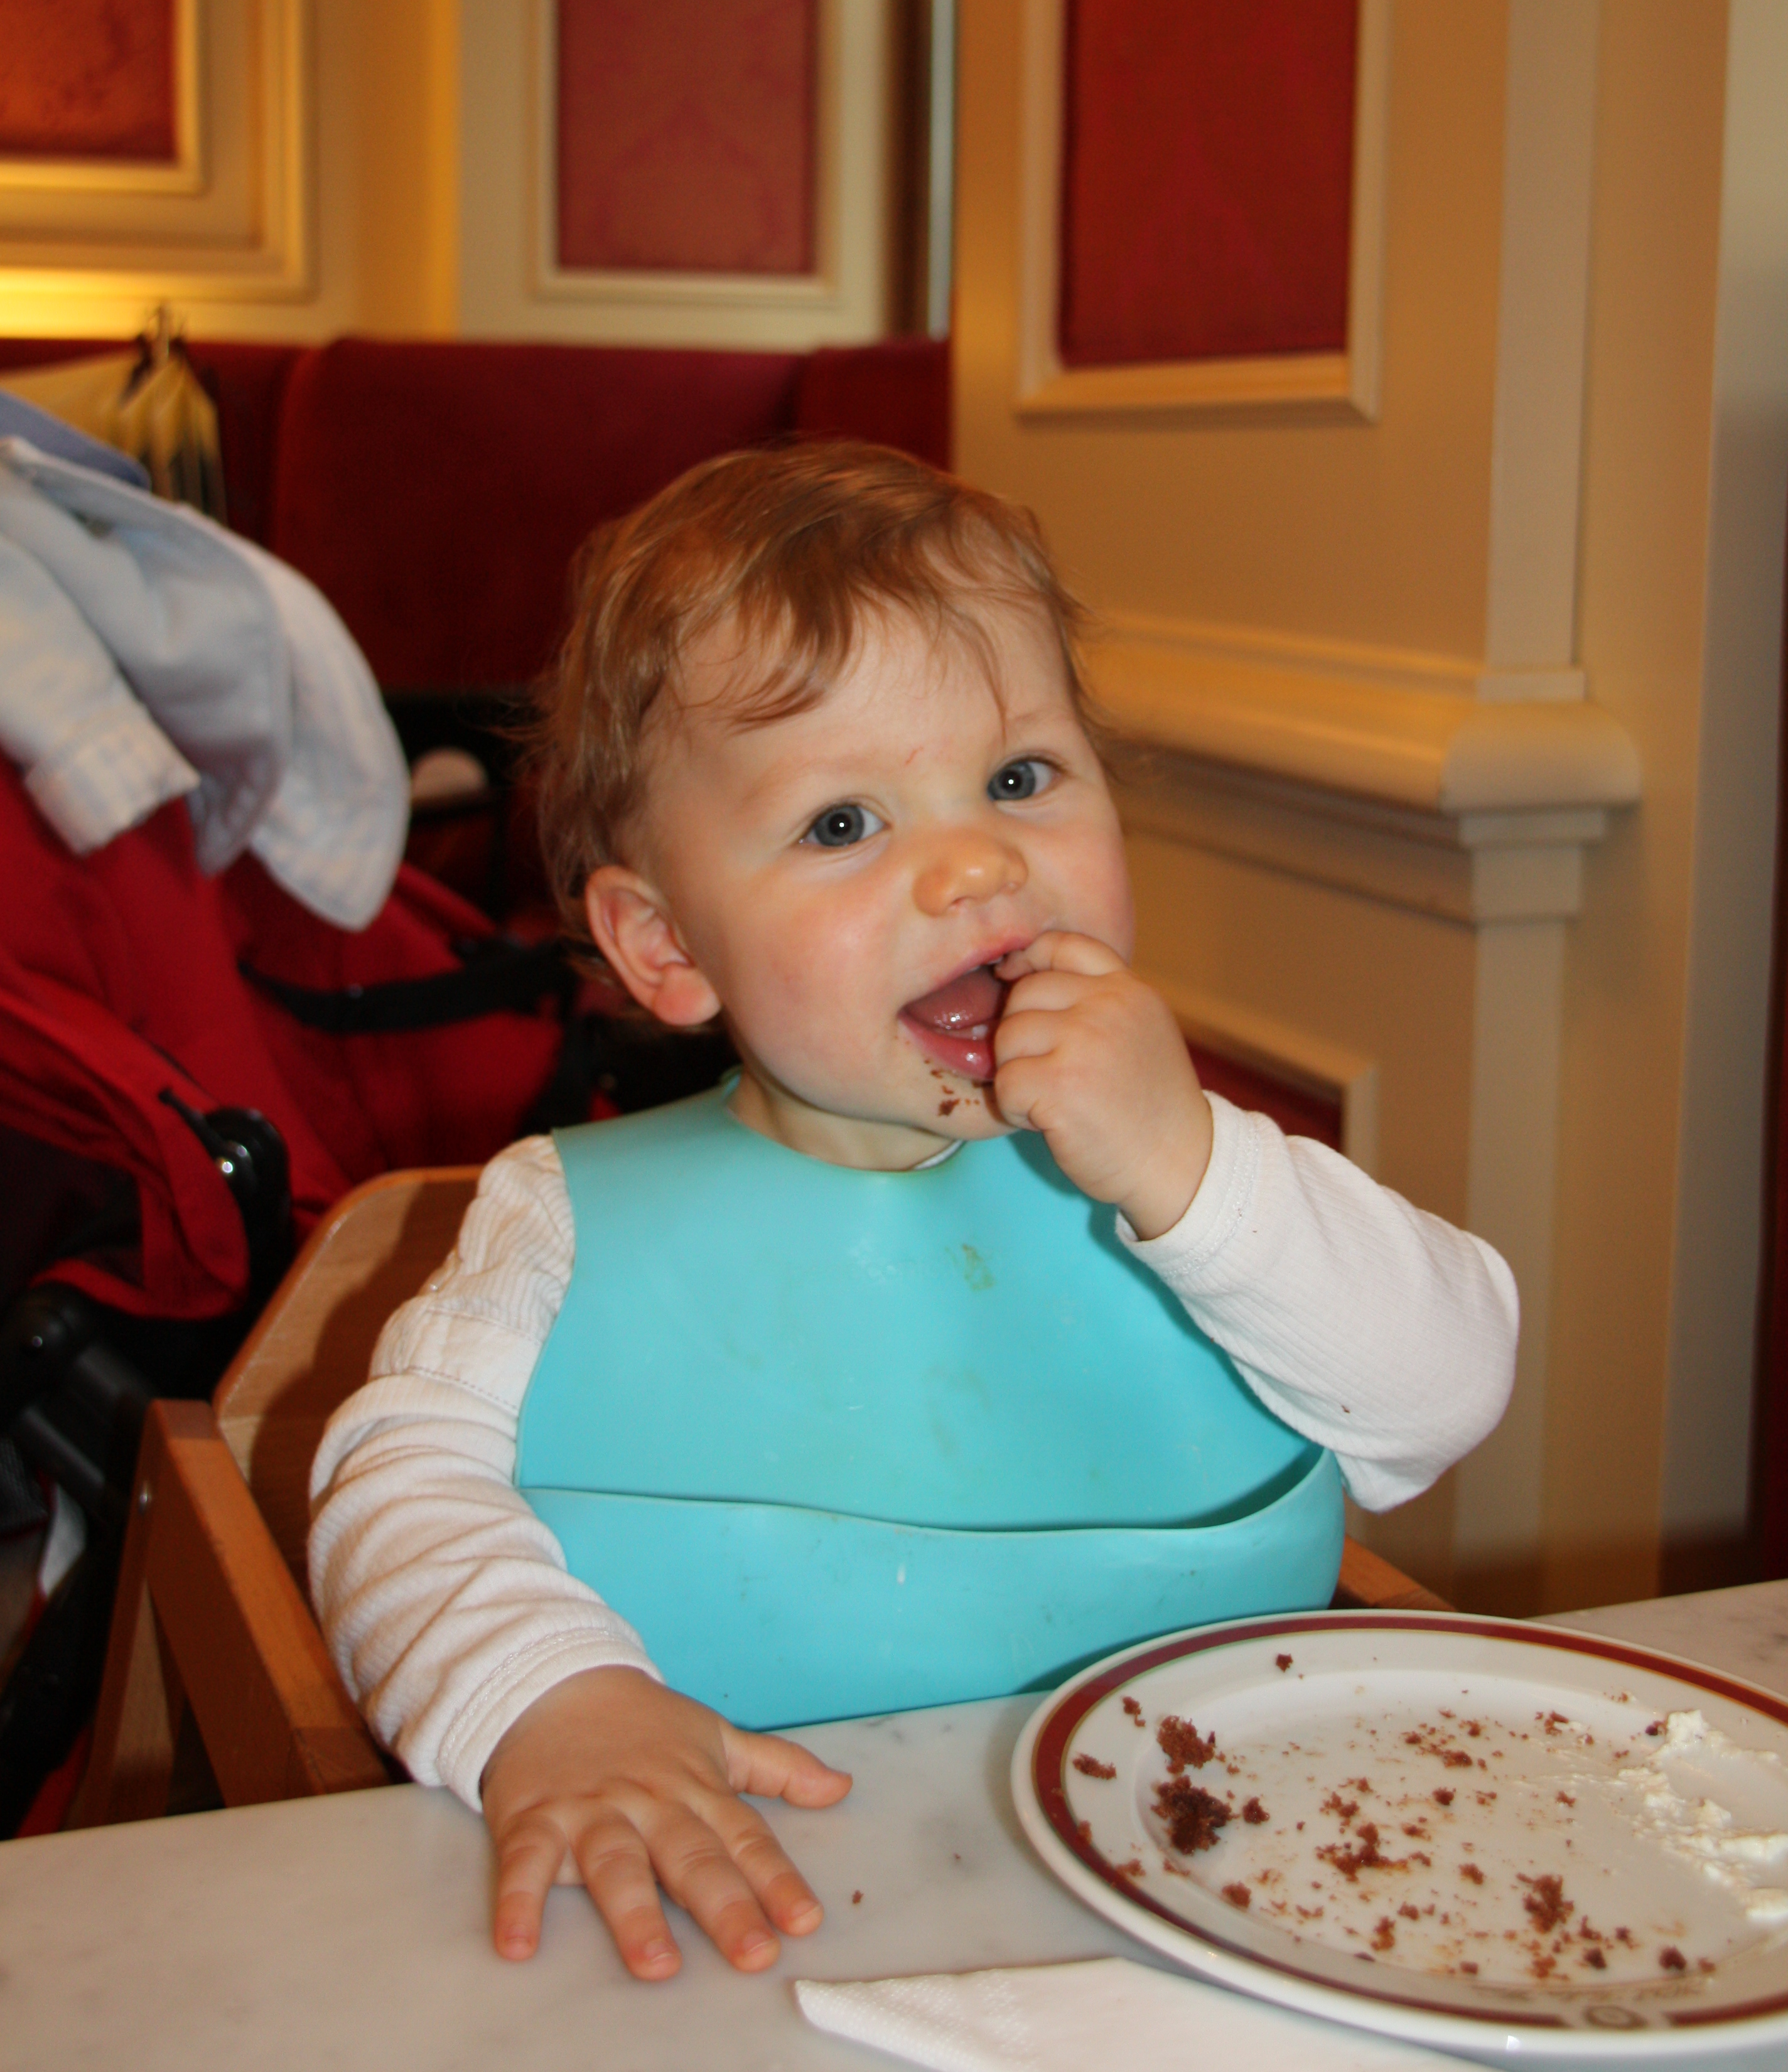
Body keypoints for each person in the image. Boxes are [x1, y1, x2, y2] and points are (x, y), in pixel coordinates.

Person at [310, 443, 1517, 1986]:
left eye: (1018, 780)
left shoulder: (1188, 1186)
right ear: (667, 947)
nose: (974, 865)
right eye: (841, 824)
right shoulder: (557, 1224)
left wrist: (1189, 1168)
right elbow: (392, 1490)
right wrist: (550, 1701)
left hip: (1189, 1907)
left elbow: (1442, 1394)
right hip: (742, 1918)